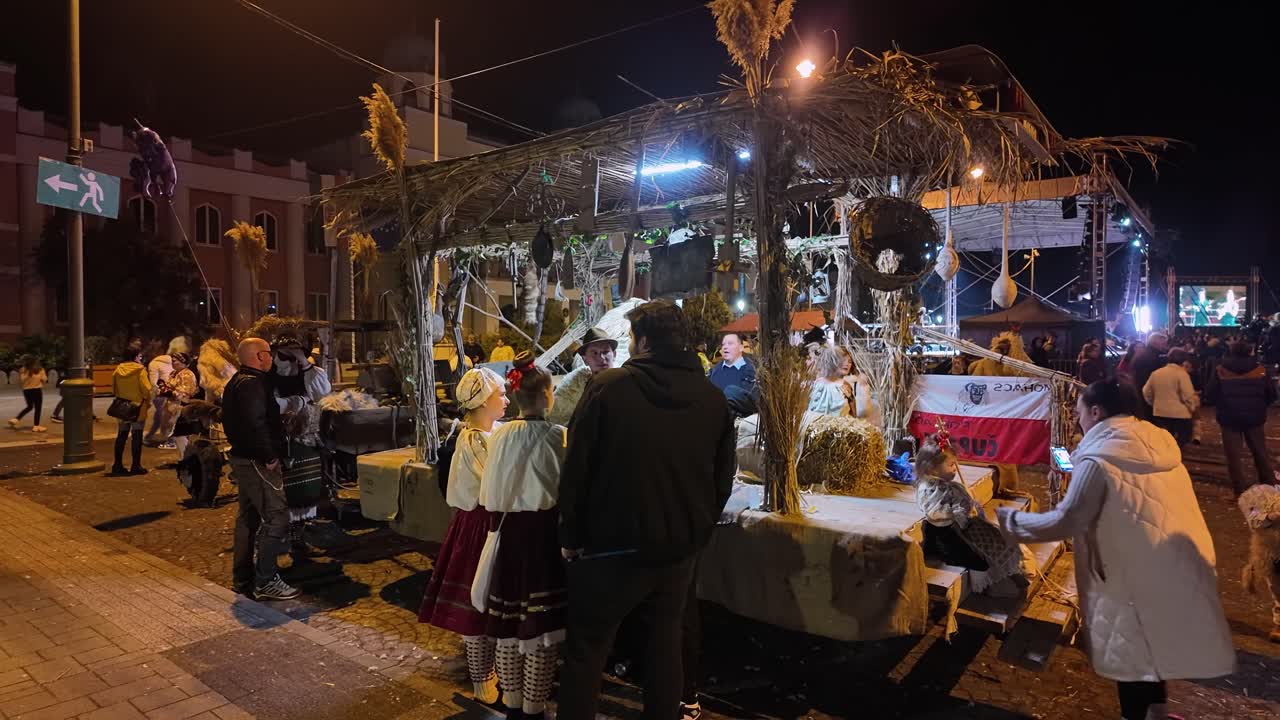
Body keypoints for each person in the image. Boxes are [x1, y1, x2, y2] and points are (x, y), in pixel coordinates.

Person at [997, 379, 1234, 720]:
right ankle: (1158, 712)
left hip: (1136, 571)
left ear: (1096, 412)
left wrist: (1011, 521)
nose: (1077, 419)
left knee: (1130, 655)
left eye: (1079, 412)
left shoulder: (1098, 459)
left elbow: (1067, 521)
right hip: (1183, 560)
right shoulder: (1158, 444)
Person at [557, 300, 736, 720]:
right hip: (677, 552)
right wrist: (696, 532)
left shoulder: (608, 388)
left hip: (610, 548)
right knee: (664, 648)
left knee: (586, 653)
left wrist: (569, 536)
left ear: (640, 341)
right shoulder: (712, 398)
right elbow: (722, 479)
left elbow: (576, 470)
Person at [477, 353, 567, 720]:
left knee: (509, 626)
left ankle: (513, 704)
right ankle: (534, 708)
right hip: (542, 538)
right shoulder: (557, 436)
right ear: (547, 395)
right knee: (540, 631)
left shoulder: (500, 435)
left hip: (507, 534)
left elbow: (489, 491)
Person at [418, 367, 508, 706]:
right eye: (501, 394)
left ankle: (499, 670)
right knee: (476, 605)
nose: (506, 399)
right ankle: (483, 678)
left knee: (495, 605)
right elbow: (494, 483)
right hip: (479, 527)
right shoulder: (473, 440)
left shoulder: (495, 431)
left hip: (495, 523)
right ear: (483, 400)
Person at [222, 337, 299, 601]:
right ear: (258, 356)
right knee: (277, 517)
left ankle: (243, 579)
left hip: (244, 458)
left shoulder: (238, 381)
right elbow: (255, 423)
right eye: (268, 353)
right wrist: (269, 455)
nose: (272, 358)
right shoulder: (252, 384)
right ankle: (266, 580)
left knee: (248, 519)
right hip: (257, 461)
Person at [915, 432, 1028, 596]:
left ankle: (1013, 572)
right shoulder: (929, 490)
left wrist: (971, 503)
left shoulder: (948, 485)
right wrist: (959, 512)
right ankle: (990, 585)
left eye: (955, 464)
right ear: (932, 468)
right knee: (981, 553)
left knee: (996, 537)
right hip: (948, 534)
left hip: (963, 525)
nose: (955, 468)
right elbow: (936, 514)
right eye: (951, 465)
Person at [1205, 341, 1277, 495]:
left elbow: (1210, 393)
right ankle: (1268, 482)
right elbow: (1272, 394)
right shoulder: (1260, 369)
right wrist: (1260, 405)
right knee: (1260, 451)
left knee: (1233, 455)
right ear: (1249, 351)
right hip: (1254, 416)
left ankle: (1239, 488)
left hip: (1229, 416)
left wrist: (1221, 403)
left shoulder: (1220, 370)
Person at [547, 328, 617, 426]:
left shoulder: (625, 382)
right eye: (594, 353)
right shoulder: (572, 388)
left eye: (605, 352)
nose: (601, 358)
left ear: (614, 355)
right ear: (585, 360)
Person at [109, 341, 152, 475]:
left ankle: (117, 465)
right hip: (137, 407)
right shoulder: (140, 370)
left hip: (122, 407)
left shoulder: (118, 370)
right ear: (135, 357)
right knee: (137, 436)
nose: (140, 358)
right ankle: (136, 466)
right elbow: (146, 389)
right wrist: (147, 400)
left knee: (121, 435)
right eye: (139, 356)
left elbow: (114, 389)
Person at [1142, 348, 1198, 447]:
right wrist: (1193, 407)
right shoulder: (1182, 374)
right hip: (1181, 414)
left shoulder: (1156, 373)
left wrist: (1154, 403)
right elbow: (1188, 395)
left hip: (1160, 412)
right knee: (1182, 440)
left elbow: (1146, 391)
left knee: (1164, 440)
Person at [145, 336, 190, 447]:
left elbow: (153, 383)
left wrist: (151, 397)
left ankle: (165, 438)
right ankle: (160, 437)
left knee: (164, 418)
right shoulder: (176, 363)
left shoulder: (154, 363)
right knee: (169, 417)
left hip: (162, 395)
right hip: (176, 394)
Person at [708, 332, 757, 417]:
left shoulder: (753, 369)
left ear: (741, 348)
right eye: (723, 344)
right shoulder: (714, 371)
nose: (725, 347)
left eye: (730, 344)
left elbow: (754, 401)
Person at [162, 352, 199, 456]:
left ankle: (186, 456)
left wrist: (173, 392)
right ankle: (185, 456)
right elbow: (168, 386)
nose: (173, 363)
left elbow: (188, 392)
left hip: (182, 407)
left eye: (175, 361)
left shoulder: (187, 374)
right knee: (176, 432)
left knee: (180, 433)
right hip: (172, 406)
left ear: (183, 362)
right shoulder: (173, 373)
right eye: (172, 361)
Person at [808, 347, 853, 417]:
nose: (847, 364)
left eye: (849, 362)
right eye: (843, 360)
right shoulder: (816, 385)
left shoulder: (845, 385)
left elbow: (853, 412)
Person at [9, 355, 48, 432]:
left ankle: (16, 419)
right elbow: (44, 379)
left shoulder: (23, 369)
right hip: (36, 390)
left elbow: (22, 380)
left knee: (30, 406)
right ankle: (36, 426)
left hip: (26, 391)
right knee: (38, 408)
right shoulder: (39, 369)